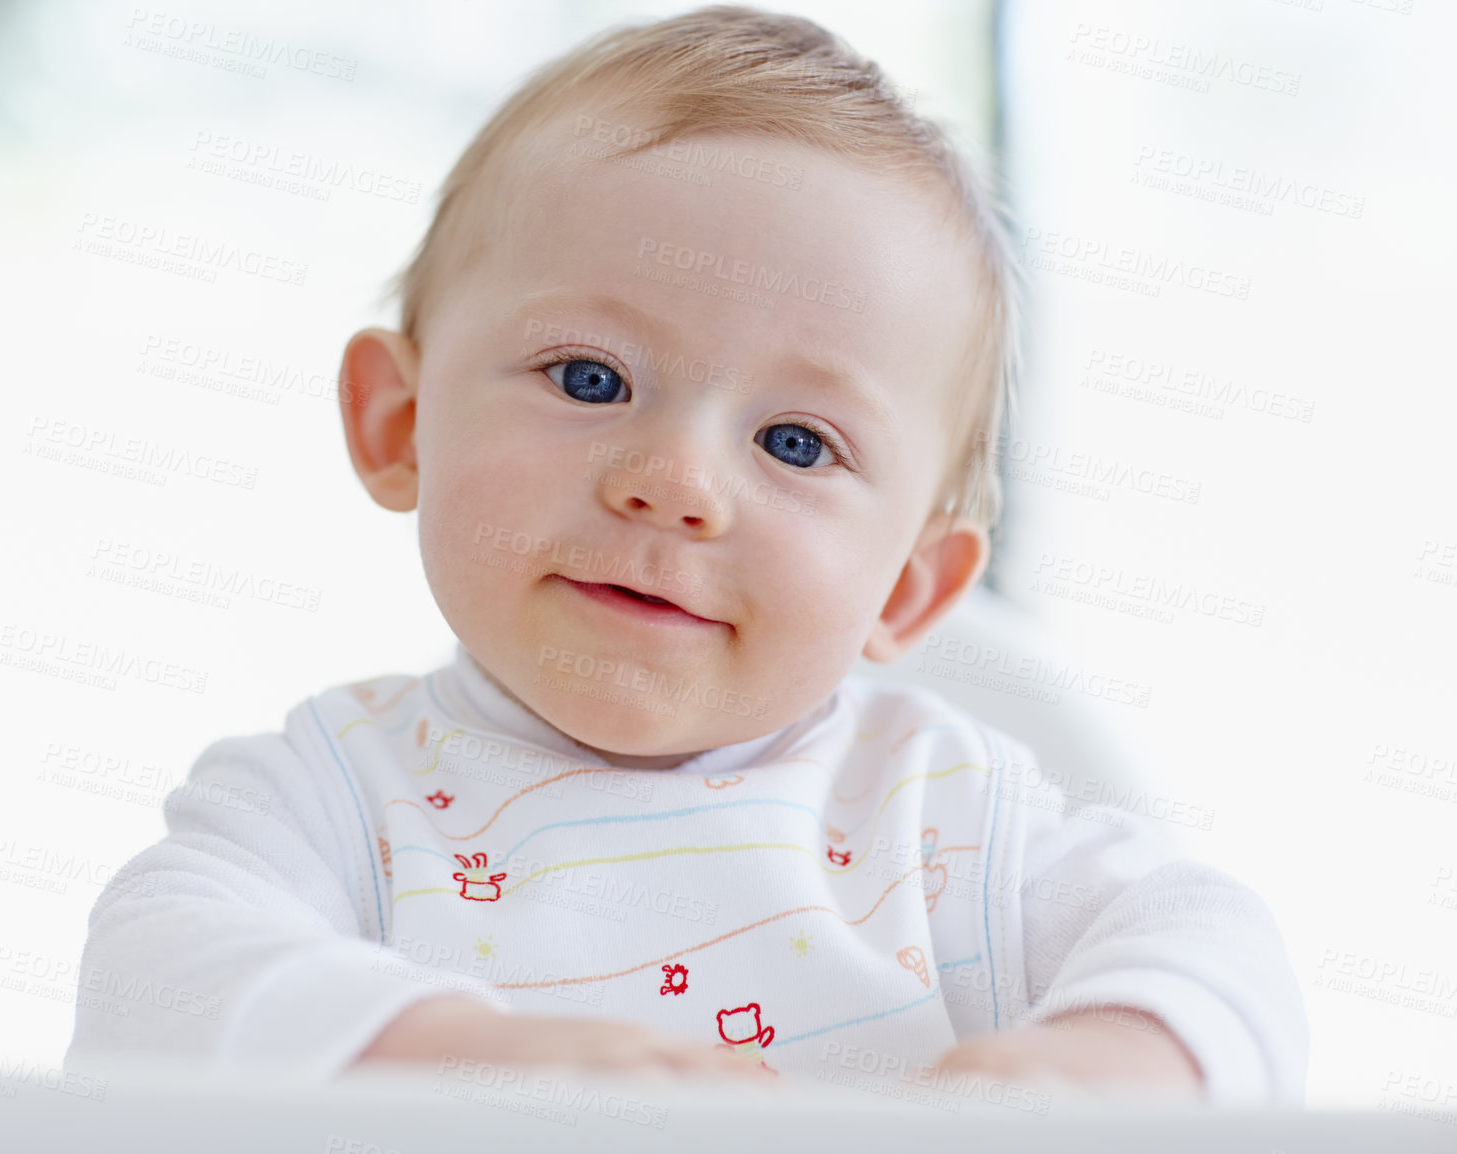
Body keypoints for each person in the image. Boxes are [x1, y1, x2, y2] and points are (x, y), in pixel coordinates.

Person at [65, 5, 1307, 1104]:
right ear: (398, 422)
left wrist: (1083, 1066)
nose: (674, 483)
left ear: (911, 584)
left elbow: (1216, 944)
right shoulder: (331, 803)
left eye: (795, 441)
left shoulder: (953, 822)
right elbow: (152, 977)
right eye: (591, 377)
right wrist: (459, 1060)